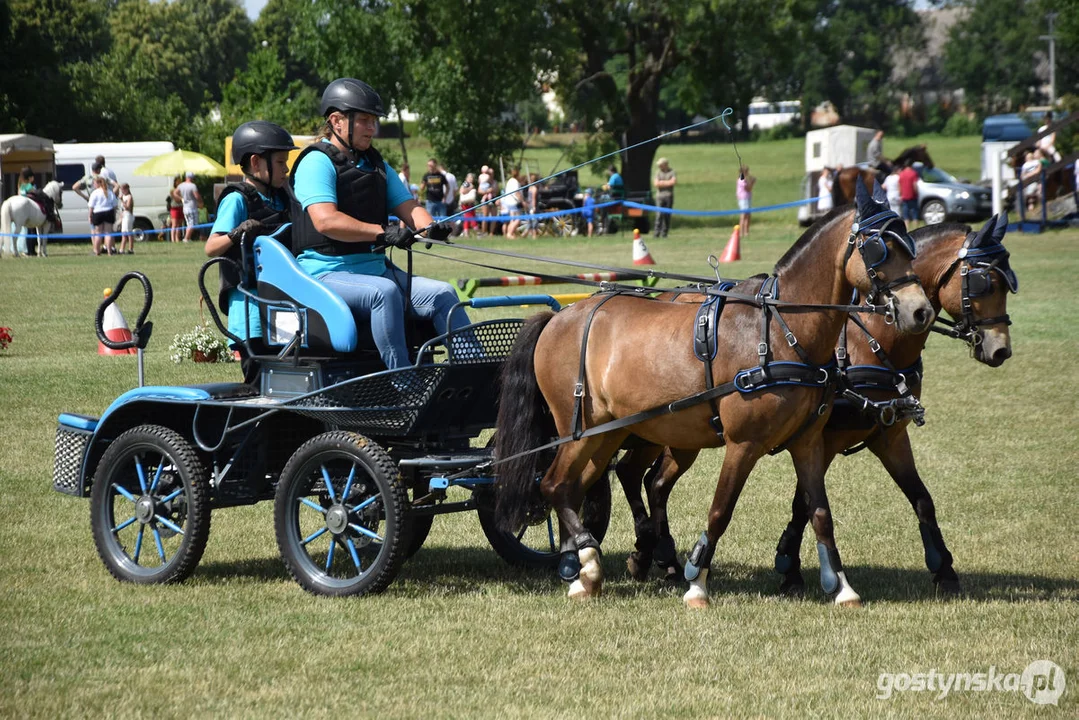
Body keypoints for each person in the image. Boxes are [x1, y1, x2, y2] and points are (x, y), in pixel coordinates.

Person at [289, 77, 465, 372]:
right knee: (383, 293)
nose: (373, 129)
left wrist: (430, 226)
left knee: (444, 293)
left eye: (374, 122)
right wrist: (383, 232)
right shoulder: (315, 162)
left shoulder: (376, 165)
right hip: (325, 274)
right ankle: (403, 380)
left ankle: (476, 374)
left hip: (375, 269)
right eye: (365, 121)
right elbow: (326, 220)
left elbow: (409, 207)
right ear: (337, 121)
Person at [207, 120, 298, 381]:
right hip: (250, 305)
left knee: (286, 371)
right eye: (280, 162)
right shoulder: (237, 199)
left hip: (279, 297)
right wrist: (236, 233)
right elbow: (211, 247)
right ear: (257, 163)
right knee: (259, 375)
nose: (286, 168)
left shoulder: (282, 197)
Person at [87, 175, 119, 255]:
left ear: (98, 183)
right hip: (108, 212)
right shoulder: (109, 192)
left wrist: (90, 216)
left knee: (98, 233)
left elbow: (91, 206)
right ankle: (109, 251)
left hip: (98, 213)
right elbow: (115, 205)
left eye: (94, 183)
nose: (93, 185)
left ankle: (97, 251)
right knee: (108, 233)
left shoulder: (95, 193)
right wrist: (114, 215)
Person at [652, 157, 676, 237]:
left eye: (661, 165)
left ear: (665, 165)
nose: (659, 166)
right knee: (659, 215)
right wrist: (667, 182)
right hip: (659, 196)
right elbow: (656, 184)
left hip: (669, 196)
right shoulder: (658, 173)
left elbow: (673, 182)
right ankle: (656, 233)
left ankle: (664, 233)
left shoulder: (672, 172)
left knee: (667, 215)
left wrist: (661, 182)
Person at [177, 171, 204, 242]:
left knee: (189, 223)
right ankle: (186, 239)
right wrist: (201, 202)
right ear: (191, 178)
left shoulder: (181, 185)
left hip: (185, 207)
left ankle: (187, 238)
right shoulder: (192, 186)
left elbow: (174, 192)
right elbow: (196, 196)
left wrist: (180, 198)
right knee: (192, 224)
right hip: (192, 207)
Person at [501, 166, 523, 238]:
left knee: (512, 219)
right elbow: (517, 193)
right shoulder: (515, 182)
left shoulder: (510, 181)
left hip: (508, 202)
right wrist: (522, 201)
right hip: (514, 203)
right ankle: (510, 233)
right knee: (518, 219)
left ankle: (510, 233)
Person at [898, 160, 921, 227]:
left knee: (905, 215)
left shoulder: (901, 174)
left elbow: (899, 185)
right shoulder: (913, 173)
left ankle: (907, 228)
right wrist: (917, 193)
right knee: (915, 214)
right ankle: (915, 227)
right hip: (912, 196)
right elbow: (914, 185)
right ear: (911, 166)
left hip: (904, 196)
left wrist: (900, 194)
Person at [736, 165, 756, 239]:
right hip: (743, 199)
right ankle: (741, 232)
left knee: (748, 215)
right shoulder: (741, 179)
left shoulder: (745, 179)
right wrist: (752, 182)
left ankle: (746, 232)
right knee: (743, 216)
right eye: (746, 171)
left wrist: (751, 179)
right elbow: (748, 188)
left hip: (747, 198)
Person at [118, 183, 135, 255]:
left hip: (128, 215)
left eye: (123, 189)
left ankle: (131, 249)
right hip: (124, 215)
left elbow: (127, 207)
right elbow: (122, 209)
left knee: (129, 233)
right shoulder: (124, 196)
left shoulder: (129, 197)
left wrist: (122, 200)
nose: (122, 191)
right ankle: (122, 249)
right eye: (121, 189)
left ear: (127, 189)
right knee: (123, 233)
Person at [167, 177, 184, 242]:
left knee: (179, 225)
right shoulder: (172, 190)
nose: (179, 183)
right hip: (174, 208)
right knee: (174, 224)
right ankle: (173, 239)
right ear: (175, 182)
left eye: (180, 181)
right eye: (178, 181)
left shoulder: (182, 190)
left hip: (181, 208)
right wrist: (181, 198)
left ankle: (177, 239)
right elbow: (176, 199)